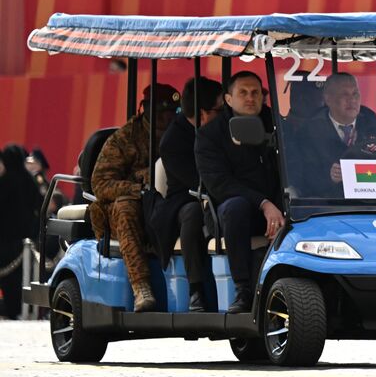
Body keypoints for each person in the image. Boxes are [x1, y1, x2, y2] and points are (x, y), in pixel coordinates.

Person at [194, 71, 282, 312]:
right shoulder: (209, 135)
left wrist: (279, 205)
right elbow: (220, 184)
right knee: (236, 207)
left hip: (276, 206)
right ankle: (242, 289)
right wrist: (264, 204)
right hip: (232, 213)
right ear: (228, 100)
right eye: (242, 93)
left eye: (255, 93)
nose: (250, 98)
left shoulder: (278, 126)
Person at [89, 84, 182, 312]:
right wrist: (138, 188)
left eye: (173, 112)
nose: (168, 118)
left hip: (167, 199)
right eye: (162, 112)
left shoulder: (182, 135)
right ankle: (141, 287)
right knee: (125, 208)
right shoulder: (124, 139)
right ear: (147, 110)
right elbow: (100, 184)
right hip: (130, 206)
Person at [148, 75, 222, 311]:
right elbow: (197, 180)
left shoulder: (221, 127)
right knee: (192, 214)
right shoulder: (173, 140)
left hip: (219, 189)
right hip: (185, 196)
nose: (224, 114)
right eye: (218, 110)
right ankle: (196, 289)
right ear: (202, 113)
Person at [288, 73, 376, 198]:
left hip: (371, 206)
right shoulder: (307, 133)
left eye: (355, 94)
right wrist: (329, 177)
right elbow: (301, 179)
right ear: (328, 99)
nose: (352, 100)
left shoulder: (375, 127)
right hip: (327, 208)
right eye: (344, 94)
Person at [0, 144, 42, 319]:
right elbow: (39, 205)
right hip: (26, 241)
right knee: (23, 278)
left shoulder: (5, 181)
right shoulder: (30, 180)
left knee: (8, 279)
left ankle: (11, 311)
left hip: (5, 239)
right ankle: (24, 310)